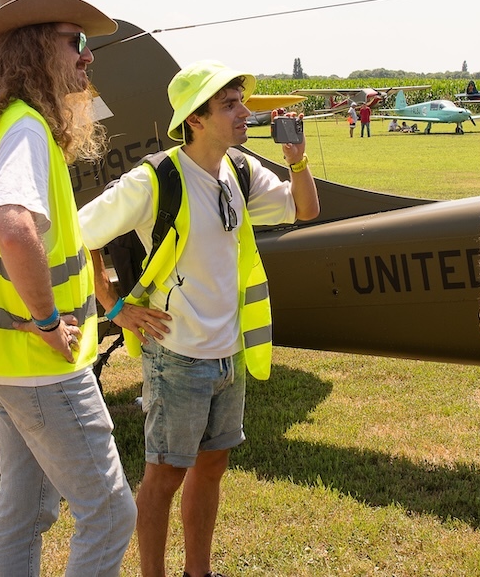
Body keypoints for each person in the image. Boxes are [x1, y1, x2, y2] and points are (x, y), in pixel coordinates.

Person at [79, 60, 319, 577]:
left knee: (211, 468)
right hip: (178, 358)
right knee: (164, 477)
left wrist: (297, 161)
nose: (244, 113)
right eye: (229, 104)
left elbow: (305, 210)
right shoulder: (152, 181)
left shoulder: (241, 170)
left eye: (241, 101)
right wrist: (115, 308)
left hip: (229, 355)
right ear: (195, 119)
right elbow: (78, 236)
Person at [0, 0, 137, 576]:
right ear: (34, 49)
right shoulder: (26, 128)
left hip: (0, 358)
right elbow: (13, 227)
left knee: (25, 510)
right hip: (37, 358)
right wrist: (50, 320)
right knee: (108, 511)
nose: (87, 54)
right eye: (74, 40)